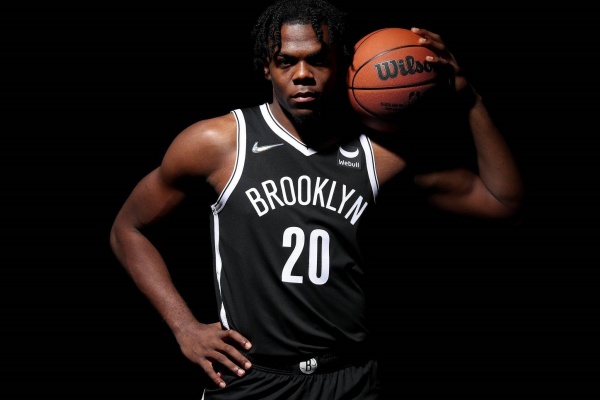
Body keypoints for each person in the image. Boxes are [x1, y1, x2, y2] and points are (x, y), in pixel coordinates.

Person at [109, 0, 524, 398]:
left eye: (318, 60)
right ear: (266, 67)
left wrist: (470, 100)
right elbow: (127, 229)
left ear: (342, 64)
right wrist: (184, 327)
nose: (303, 74)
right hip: (252, 377)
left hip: (349, 378)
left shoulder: (378, 154)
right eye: (286, 61)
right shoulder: (218, 143)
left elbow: (501, 199)